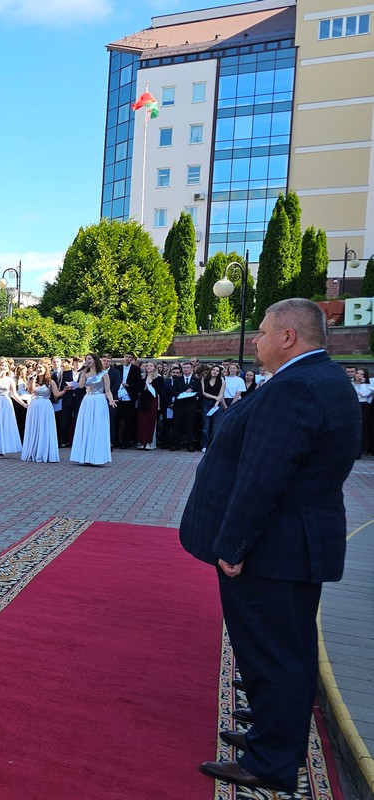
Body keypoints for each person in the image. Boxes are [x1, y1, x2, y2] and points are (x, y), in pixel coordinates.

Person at [181, 299, 361, 793]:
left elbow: (264, 476)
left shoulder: (297, 386)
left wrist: (233, 545)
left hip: (273, 549)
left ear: (288, 337)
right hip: (290, 543)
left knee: (274, 653)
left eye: (262, 332)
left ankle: (271, 760)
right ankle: (273, 733)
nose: (256, 340)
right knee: (286, 648)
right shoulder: (320, 378)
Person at [69, 353, 114, 466]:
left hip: (99, 399)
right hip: (88, 400)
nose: (87, 361)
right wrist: (83, 373)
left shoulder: (103, 373)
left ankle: (97, 456)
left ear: (95, 360)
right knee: (87, 425)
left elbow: (108, 390)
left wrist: (111, 400)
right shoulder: (85, 373)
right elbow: (80, 386)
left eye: (89, 359)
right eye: (86, 359)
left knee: (98, 426)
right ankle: (85, 455)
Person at [20, 363, 59, 463]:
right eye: (37, 368)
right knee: (34, 427)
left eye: (41, 367)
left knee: (45, 427)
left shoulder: (50, 382)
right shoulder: (32, 380)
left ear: (46, 369)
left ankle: (44, 452)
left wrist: (66, 390)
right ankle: (33, 451)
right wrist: (33, 380)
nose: (39, 369)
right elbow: (31, 391)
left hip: (45, 406)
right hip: (34, 406)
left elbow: (57, 394)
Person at [136, 360, 164, 450]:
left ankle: (148, 442)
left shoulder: (158, 378)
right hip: (143, 400)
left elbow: (160, 390)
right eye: (147, 365)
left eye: (151, 366)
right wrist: (143, 388)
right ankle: (141, 442)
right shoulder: (142, 377)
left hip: (152, 400)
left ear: (155, 368)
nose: (148, 367)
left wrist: (151, 387)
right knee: (141, 422)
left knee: (150, 421)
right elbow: (138, 389)